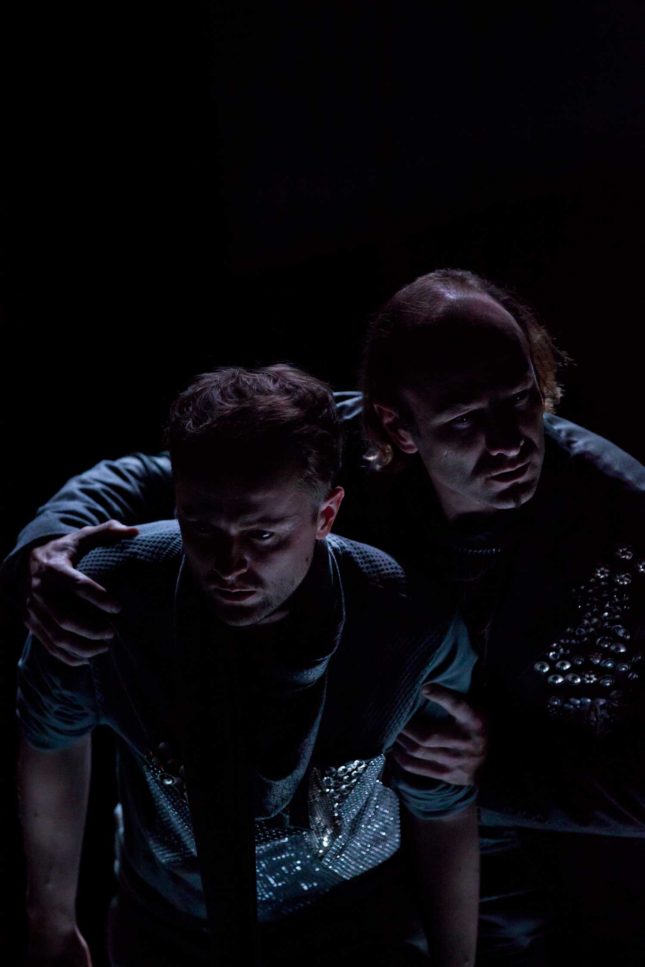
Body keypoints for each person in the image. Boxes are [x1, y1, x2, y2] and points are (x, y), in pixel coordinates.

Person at [8, 269, 645, 966]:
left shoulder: (621, 515)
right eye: (464, 419)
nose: (510, 440)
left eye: (521, 399)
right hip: (343, 849)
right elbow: (170, 476)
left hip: (545, 857)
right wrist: (51, 549)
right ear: (397, 425)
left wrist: (497, 768)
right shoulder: (340, 442)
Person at [16, 364, 480, 967]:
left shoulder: (408, 626)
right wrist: (52, 921)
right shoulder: (102, 597)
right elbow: (51, 738)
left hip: (362, 927)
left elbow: (442, 809)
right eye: (202, 528)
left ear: (325, 516)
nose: (228, 564)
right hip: (170, 924)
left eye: (262, 536)